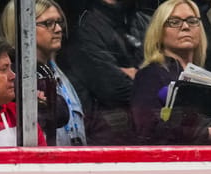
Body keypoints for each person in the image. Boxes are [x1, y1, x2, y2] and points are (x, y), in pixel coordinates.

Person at [130, 0, 211, 145]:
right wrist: (206, 133)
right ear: (158, 32)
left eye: (192, 20)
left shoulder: (206, 77)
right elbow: (147, 130)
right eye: (174, 22)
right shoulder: (150, 75)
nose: (185, 27)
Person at [0, 0, 86, 145]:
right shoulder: (14, 79)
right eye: (48, 23)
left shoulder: (57, 72)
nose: (58, 29)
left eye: (58, 22)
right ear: (23, 26)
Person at [64, 0, 151, 144]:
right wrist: (148, 80)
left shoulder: (145, 22)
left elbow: (164, 77)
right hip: (108, 137)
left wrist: (142, 77)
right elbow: (114, 89)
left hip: (146, 132)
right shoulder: (87, 28)